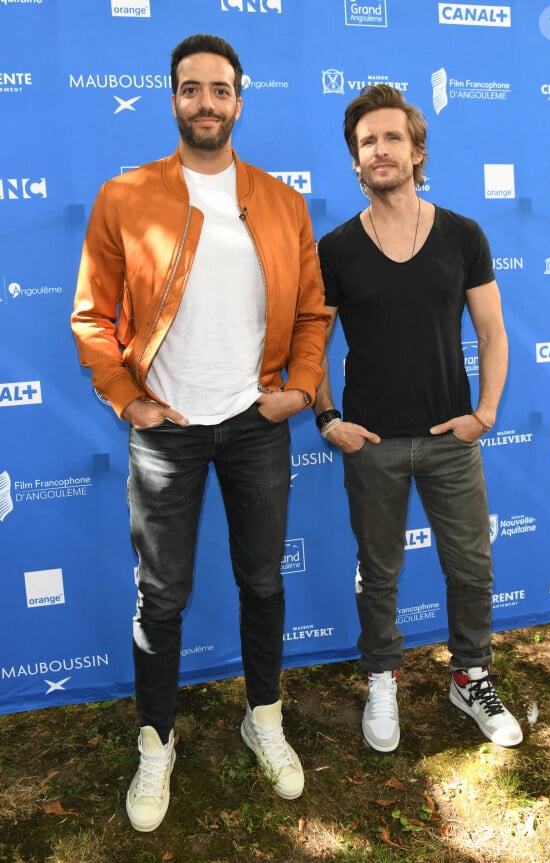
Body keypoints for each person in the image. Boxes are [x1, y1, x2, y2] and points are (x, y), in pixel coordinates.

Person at [71, 33, 329, 831]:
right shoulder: (126, 194)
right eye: (191, 89)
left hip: (257, 424)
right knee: (162, 596)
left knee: (263, 582)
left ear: (240, 100)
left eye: (220, 90)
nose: (206, 103)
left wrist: (302, 388)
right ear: (173, 98)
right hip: (168, 431)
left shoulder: (282, 203)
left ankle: (265, 716)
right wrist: (128, 398)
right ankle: (158, 741)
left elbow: (315, 312)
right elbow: (91, 316)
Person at [314, 84, 523, 754]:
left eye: (392, 137)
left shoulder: (463, 234)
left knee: (472, 566)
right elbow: (308, 346)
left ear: (416, 149)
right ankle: (381, 675)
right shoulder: (337, 248)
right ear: (355, 159)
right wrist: (327, 418)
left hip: (448, 441)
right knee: (378, 573)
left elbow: (492, 331)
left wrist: (484, 412)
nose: (380, 149)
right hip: (369, 443)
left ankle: (470, 675)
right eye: (367, 141)